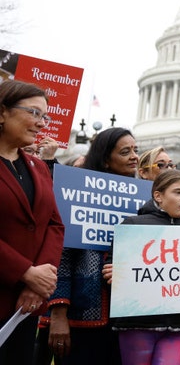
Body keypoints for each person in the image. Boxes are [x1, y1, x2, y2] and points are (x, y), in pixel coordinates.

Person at [39, 126, 139, 364]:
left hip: (126, 318)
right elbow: (61, 256)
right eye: (125, 152)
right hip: (82, 317)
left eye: (136, 149)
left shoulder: (143, 198)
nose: (135, 156)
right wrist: (59, 313)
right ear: (105, 160)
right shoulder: (79, 194)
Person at [102, 170, 180, 364]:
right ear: (158, 195)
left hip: (179, 324)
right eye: (178, 192)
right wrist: (112, 272)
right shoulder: (132, 225)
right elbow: (111, 265)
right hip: (137, 323)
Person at [0, 80, 65, 363]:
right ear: (2, 112)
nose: (42, 124)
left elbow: (54, 225)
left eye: (45, 116)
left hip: (25, 305)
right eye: (34, 113)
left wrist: (36, 282)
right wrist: (26, 271)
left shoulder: (38, 167)